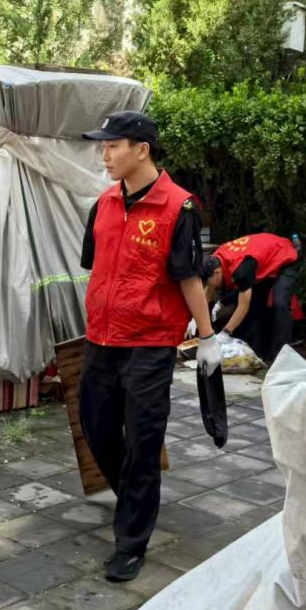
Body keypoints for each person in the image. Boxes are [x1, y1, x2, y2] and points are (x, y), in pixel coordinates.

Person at [78, 110, 222, 582]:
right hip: (102, 338)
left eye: (112, 145)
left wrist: (207, 337)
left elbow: (188, 277)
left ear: (141, 149)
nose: (105, 155)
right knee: (96, 426)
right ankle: (135, 500)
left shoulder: (179, 207)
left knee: (143, 440)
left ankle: (131, 542)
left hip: (150, 343)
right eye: (103, 146)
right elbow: (96, 267)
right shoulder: (103, 204)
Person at [200, 232, 299, 363]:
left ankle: (282, 357)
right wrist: (195, 320)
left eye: (208, 282)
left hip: (284, 255)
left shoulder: (241, 269)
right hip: (264, 258)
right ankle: (259, 353)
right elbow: (208, 290)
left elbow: (243, 306)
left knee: (279, 302)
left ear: (217, 272)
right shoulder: (216, 258)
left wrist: (225, 333)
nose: (210, 286)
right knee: (256, 305)